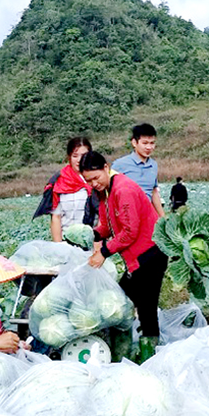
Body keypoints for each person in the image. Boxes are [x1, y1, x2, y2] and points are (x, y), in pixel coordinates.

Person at [79, 150, 167, 362]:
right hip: (136, 258)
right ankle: (127, 352)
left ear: (106, 168)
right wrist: (91, 234)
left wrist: (104, 252)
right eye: (88, 181)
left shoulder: (123, 189)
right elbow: (110, 225)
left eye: (96, 178)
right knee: (123, 301)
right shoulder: (105, 192)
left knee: (145, 308)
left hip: (150, 254)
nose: (94, 184)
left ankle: (149, 357)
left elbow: (129, 232)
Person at [33, 136, 97, 242]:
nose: (79, 160)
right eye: (75, 156)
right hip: (67, 242)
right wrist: (59, 247)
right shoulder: (60, 181)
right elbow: (56, 218)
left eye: (84, 155)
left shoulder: (97, 179)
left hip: (93, 241)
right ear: (69, 157)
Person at [112, 123, 164, 218]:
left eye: (152, 143)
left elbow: (153, 192)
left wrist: (163, 217)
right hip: (126, 217)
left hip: (147, 216)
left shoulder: (153, 165)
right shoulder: (119, 165)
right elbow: (110, 193)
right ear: (134, 143)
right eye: (145, 143)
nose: (149, 147)